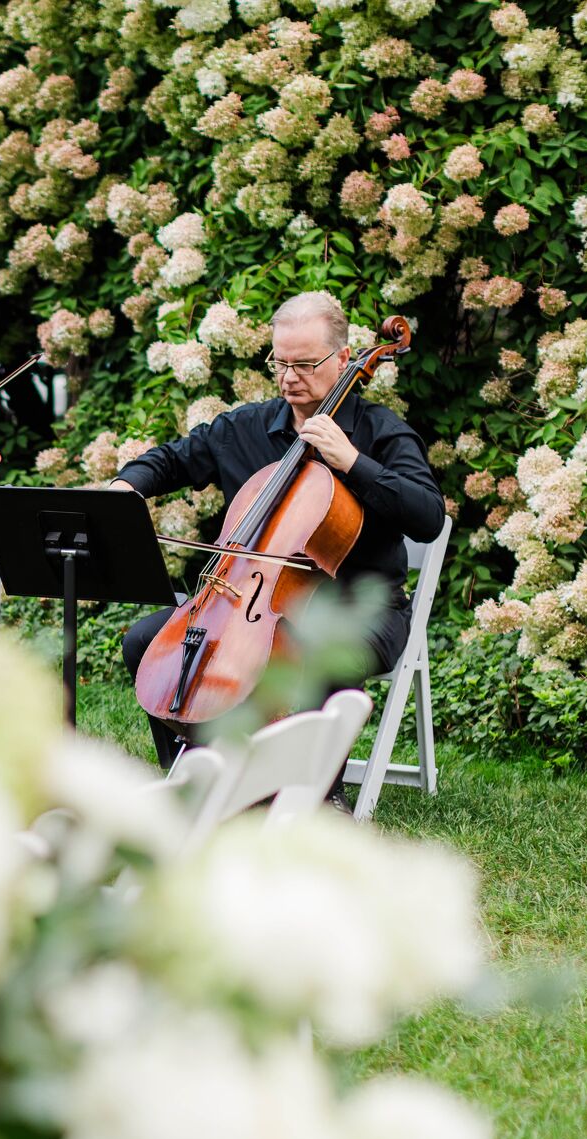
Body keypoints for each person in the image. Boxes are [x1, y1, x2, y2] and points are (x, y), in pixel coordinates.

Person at [115, 290, 444, 775]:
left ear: (344, 358)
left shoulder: (381, 431)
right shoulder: (247, 428)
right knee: (146, 639)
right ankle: (200, 772)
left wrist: (351, 460)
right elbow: (171, 459)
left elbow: (428, 516)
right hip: (247, 603)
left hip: (358, 608)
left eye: (307, 364)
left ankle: (318, 789)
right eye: (281, 362)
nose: (291, 377)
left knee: (313, 648)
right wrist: (126, 485)